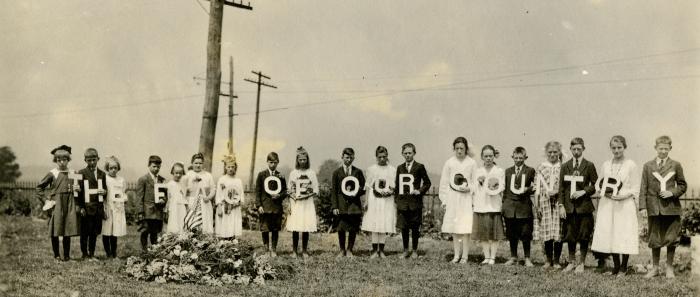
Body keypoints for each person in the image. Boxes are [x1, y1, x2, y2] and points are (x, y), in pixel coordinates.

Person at [591, 135, 640, 276]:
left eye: (619, 147)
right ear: (610, 148)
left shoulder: (631, 165)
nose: (616, 150)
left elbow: (636, 188)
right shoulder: (606, 164)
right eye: (614, 148)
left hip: (624, 204)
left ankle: (624, 267)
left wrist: (623, 196)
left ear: (624, 147)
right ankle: (616, 267)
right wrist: (603, 192)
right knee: (610, 233)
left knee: (623, 233)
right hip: (608, 204)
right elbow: (598, 183)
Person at [640, 135, 687, 278]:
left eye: (666, 149)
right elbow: (643, 187)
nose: (663, 151)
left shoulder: (676, 165)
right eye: (660, 148)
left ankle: (669, 268)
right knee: (655, 238)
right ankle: (655, 268)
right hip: (654, 208)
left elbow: (683, 185)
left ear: (670, 149)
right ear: (655, 148)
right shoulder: (648, 166)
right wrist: (642, 207)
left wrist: (672, 193)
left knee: (671, 238)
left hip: (671, 208)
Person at [559, 138, 598, 273]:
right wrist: (561, 205)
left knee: (584, 235)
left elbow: (595, 185)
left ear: (583, 149)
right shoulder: (565, 166)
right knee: (570, 235)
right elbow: (561, 188)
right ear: (570, 149)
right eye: (574, 149)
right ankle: (571, 262)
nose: (576, 152)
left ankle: (581, 263)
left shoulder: (589, 165)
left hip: (584, 207)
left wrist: (583, 191)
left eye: (579, 149)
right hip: (569, 207)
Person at [36, 145, 81, 261]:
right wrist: (46, 200)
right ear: (55, 160)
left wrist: (78, 189)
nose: (62, 162)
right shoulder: (53, 173)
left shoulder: (73, 172)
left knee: (67, 228)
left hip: (69, 203)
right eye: (59, 160)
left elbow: (78, 188)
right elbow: (39, 188)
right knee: (55, 229)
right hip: (56, 204)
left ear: (68, 160)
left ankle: (66, 256)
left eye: (64, 159)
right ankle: (56, 255)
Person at [439, 137, 476, 264]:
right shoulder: (449, 163)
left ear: (466, 149)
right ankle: (456, 255)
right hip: (453, 198)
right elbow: (444, 182)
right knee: (455, 228)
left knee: (465, 228)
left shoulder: (471, 163)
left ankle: (465, 256)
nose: (459, 151)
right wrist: (444, 200)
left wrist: (469, 189)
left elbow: (475, 182)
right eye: (457, 148)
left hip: (465, 199)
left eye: (462, 148)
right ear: (454, 149)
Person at [395, 143, 431, 259]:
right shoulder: (400, 168)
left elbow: (427, 183)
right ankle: (405, 250)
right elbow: (397, 185)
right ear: (402, 154)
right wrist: (397, 200)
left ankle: (414, 250)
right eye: (405, 153)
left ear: (414, 153)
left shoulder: (419, 166)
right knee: (404, 228)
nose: (407, 155)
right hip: (403, 203)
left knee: (415, 227)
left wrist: (419, 191)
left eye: (410, 153)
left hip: (415, 203)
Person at [502, 147, 536, 267]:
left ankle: (527, 258)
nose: (518, 160)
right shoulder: (507, 171)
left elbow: (536, 186)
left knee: (526, 233)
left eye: (521, 158)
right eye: (516, 158)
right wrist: (504, 205)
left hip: (524, 206)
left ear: (525, 158)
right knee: (512, 233)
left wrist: (528, 189)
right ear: (512, 157)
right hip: (510, 207)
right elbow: (505, 189)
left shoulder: (530, 170)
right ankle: (513, 257)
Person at [533, 141, 565, 269]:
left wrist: (557, 192)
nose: (552, 154)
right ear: (546, 153)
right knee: (546, 230)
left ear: (559, 153)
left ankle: (557, 260)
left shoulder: (562, 167)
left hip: (558, 202)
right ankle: (548, 259)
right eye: (550, 152)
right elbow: (537, 187)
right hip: (544, 202)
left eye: (555, 152)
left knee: (558, 231)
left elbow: (564, 186)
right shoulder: (541, 167)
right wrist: (537, 205)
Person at [361, 146, 397, 259]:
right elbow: (367, 186)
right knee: (375, 223)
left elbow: (394, 186)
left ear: (387, 156)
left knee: (383, 223)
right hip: (374, 199)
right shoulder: (371, 169)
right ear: (376, 157)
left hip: (386, 200)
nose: (382, 159)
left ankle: (381, 250)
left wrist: (390, 192)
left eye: (384, 156)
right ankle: (374, 250)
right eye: (380, 157)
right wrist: (366, 201)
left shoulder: (392, 169)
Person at [472, 145, 505, 265]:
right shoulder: (478, 171)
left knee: (494, 234)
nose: (488, 158)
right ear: (482, 157)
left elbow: (502, 187)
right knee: (483, 234)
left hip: (494, 205)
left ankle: (493, 257)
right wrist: (479, 182)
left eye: (490, 156)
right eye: (486, 156)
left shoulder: (499, 171)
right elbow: (474, 188)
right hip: (481, 205)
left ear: (494, 156)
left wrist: (494, 185)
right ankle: (486, 256)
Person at [331, 147, 366, 258]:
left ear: (354, 158)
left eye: (351, 157)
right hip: (341, 204)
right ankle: (342, 250)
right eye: (346, 157)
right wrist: (335, 206)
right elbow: (334, 191)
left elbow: (364, 187)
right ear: (342, 157)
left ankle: (350, 250)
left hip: (354, 205)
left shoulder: (358, 172)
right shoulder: (337, 173)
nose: (348, 159)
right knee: (341, 227)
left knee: (352, 227)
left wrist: (356, 192)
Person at [286, 147, 319, 258]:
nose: (303, 162)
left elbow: (315, 190)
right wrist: (291, 202)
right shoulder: (293, 173)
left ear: (307, 160)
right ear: (297, 160)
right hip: (296, 203)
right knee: (296, 226)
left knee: (305, 226)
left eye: (304, 160)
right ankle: (294, 251)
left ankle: (304, 250)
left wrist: (306, 195)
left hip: (307, 203)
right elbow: (289, 190)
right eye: (300, 160)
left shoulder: (311, 173)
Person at [255, 152, 288, 257]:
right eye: (271, 162)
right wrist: (259, 205)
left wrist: (279, 195)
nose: (273, 165)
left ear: (278, 162)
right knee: (265, 228)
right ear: (267, 162)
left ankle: (273, 249)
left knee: (275, 229)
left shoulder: (280, 176)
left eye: (275, 162)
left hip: (276, 207)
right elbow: (258, 191)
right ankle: (266, 250)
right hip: (265, 207)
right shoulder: (261, 175)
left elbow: (285, 191)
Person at [78, 148, 108, 261]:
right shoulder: (81, 173)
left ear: (98, 159)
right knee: (85, 232)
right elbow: (78, 192)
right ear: (85, 160)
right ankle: (84, 254)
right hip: (86, 208)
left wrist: (104, 192)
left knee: (94, 232)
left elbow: (105, 190)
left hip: (98, 208)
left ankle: (92, 253)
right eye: (89, 160)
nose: (92, 162)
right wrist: (80, 207)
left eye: (94, 160)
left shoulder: (102, 174)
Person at [136, 155, 167, 251]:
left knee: (155, 233)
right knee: (145, 231)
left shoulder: (162, 180)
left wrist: (163, 200)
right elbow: (139, 197)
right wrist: (140, 212)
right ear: (149, 165)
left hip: (157, 211)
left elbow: (165, 194)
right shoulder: (143, 179)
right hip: (147, 211)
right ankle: (144, 250)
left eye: (158, 167)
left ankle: (154, 251)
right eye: (154, 166)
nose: (156, 169)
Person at [101, 156, 128, 259]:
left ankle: (114, 252)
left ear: (118, 168)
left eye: (115, 168)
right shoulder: (105, 178)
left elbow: (123, 192)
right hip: (107, 206)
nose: (113, 170)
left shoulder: (121, 180)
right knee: (107, 231)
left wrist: (124, 198)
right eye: (111, 168)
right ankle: (108, 253)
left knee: (114, 231)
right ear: (107, 168)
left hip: (117, 208)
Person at [215, 154, 245, 239]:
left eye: (232, 167)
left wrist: (237, 203)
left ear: (235, 167)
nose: (231, 169)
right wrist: (219, 206)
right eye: (228, 167)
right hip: (225, 206)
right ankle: (224, 243)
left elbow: (241, 194)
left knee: (233, 225)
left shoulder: (238, 181)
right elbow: (219, 194)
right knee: (225, 225)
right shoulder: (222, 179)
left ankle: (233, 243)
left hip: (235, 207)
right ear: (225, 167)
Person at [185, 153, 216, 234]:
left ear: (203, 164)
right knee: (191, 223)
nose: (198, 165)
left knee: (204, 225)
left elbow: (213, 189)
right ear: (192, 163)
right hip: (191, 202)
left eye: (200, 163)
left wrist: (208, 197)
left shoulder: (208, 175)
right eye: (196, 163)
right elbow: (183, 190)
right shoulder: (188, 175)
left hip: (204, 203)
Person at [165, 162, 188, 234]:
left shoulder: (182, 184)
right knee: (174, 226)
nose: (178, 175)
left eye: (180, 173)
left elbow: (184, 197)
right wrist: (166, 210)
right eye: (176, 173)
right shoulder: (169, 184)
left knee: (182, 224)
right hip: (173, 207)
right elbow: (168, 198)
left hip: (181, 207)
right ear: (172, 172)